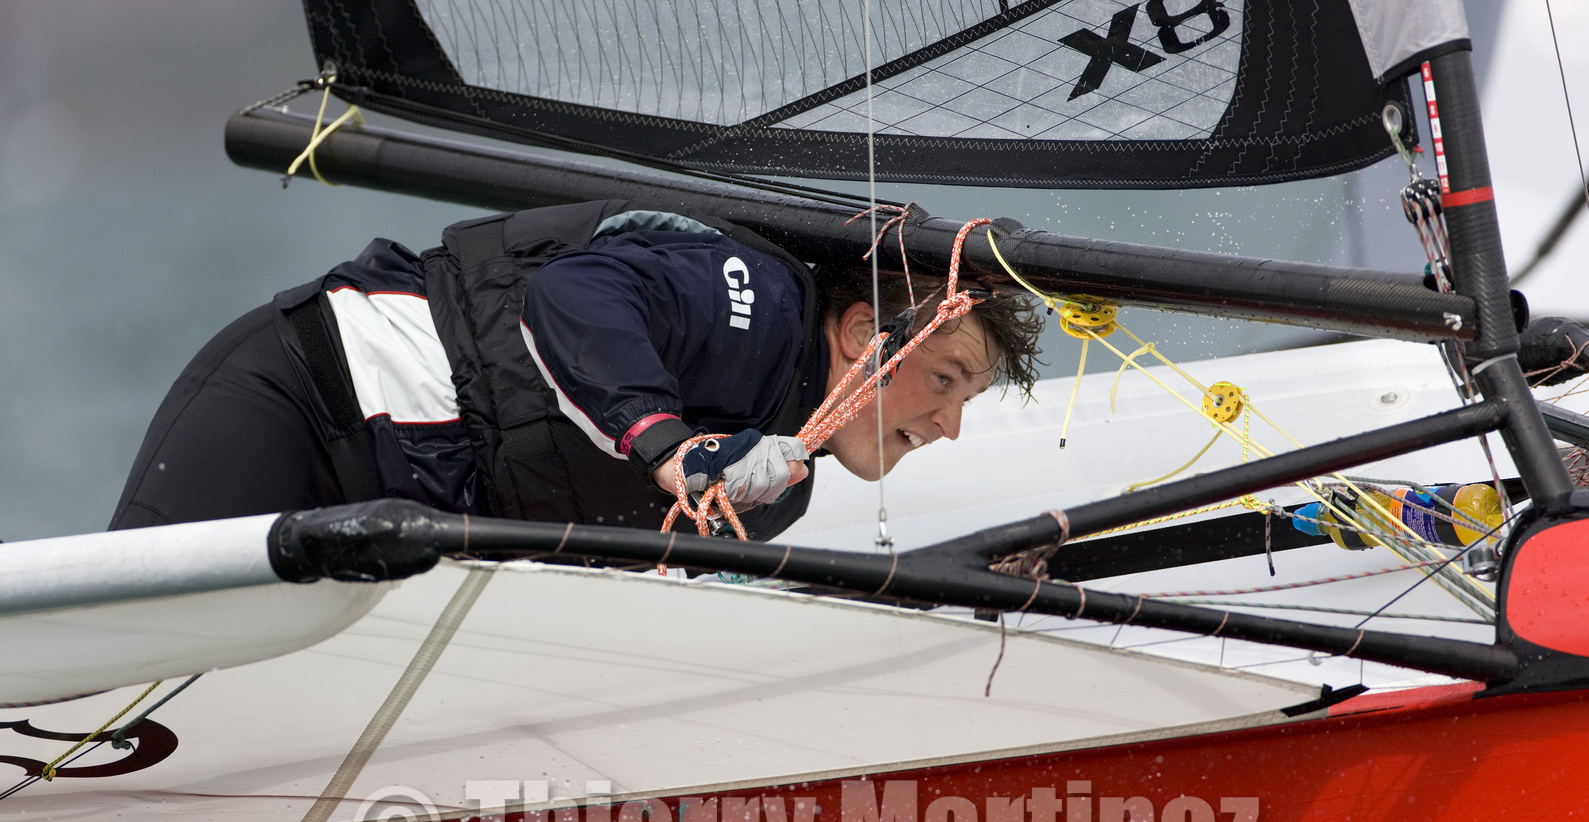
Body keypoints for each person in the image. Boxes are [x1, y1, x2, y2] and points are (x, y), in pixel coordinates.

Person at [110, 200, 1043, 541]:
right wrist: (668, 446)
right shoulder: (754, 301)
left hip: (399, 512)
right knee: (115, 680)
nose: (949, 424)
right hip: (316, 395)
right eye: (949, 378)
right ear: (859, 334)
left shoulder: (778, 484)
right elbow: (575, 296)